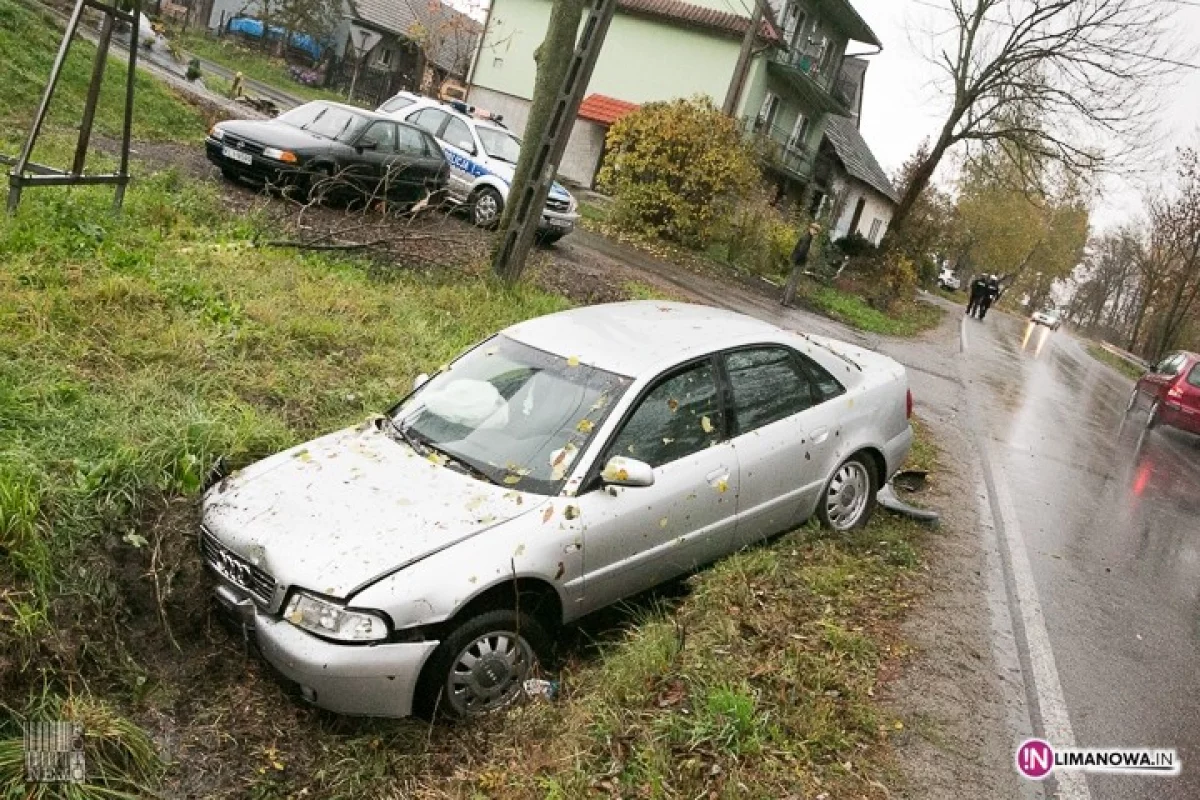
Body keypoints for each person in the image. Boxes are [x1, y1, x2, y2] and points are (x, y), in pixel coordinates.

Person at [781, 222, 822, 308]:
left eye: (816, 231)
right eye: (814, 230)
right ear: (811, 229)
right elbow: (802, 251)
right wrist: (803, 260)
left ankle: (784, 299)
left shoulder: (806, 237)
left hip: (796, 260)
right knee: (794, 282)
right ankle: (787, 301)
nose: (815, 233)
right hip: (799, 261)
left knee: (791, 280)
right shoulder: (807, 238)